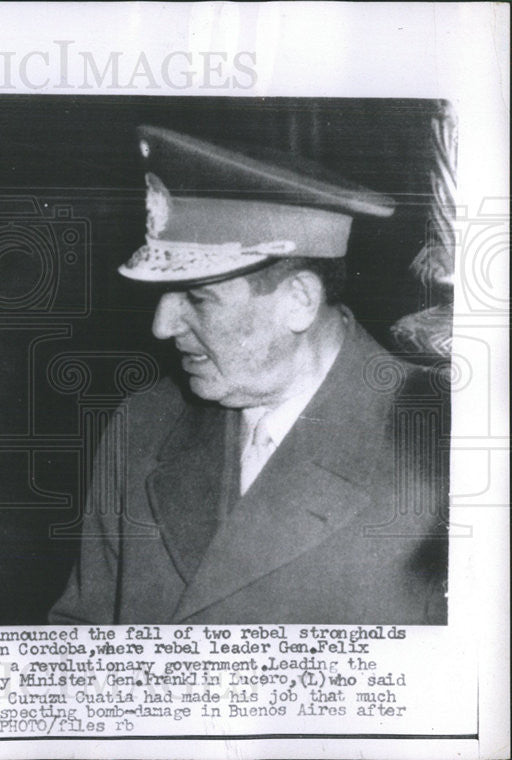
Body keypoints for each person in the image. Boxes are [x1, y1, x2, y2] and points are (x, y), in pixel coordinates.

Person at [50, 126, 448, 625]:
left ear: (299, 301)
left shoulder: (444, 442)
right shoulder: (144, 425)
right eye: (161, 296)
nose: (161, 325)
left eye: (197, 297)